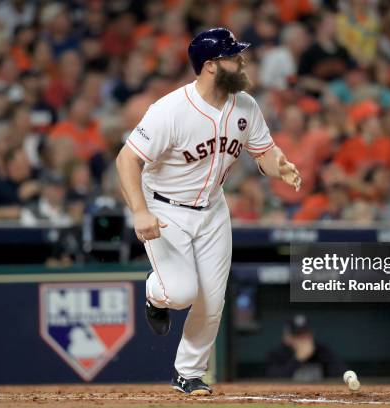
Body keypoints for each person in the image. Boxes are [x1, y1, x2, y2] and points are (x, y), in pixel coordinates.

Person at [115, 28, 301, 396]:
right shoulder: (171, 110)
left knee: (212, 301)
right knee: (182, 292)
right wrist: (139, 211)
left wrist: (280, 165)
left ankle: (187, 373)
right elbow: (127, 159)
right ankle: (156, 295)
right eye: (234, 56)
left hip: (213, 209)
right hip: (165, 208)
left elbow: (263, 151)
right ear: (211, 66)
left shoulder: (245, 105)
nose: (242, 60)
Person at [266, 314, 346, 381]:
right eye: (297, 335)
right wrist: (297, 360)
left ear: (312, 335)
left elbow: (341, 374)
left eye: (305, 334)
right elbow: (271, 379)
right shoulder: (277, 353)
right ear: (287, 338)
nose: (302, 339)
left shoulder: (322, 351)